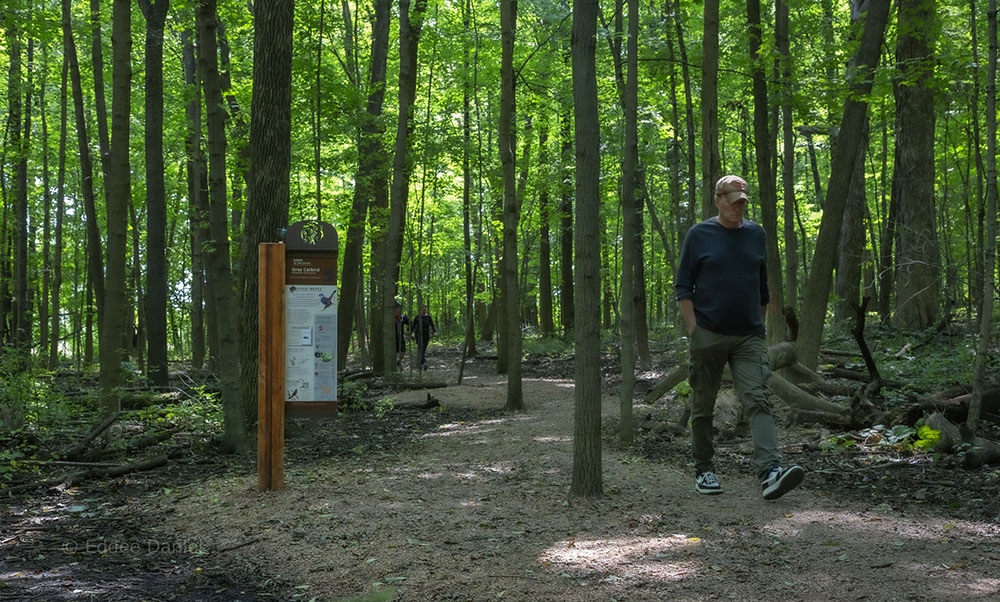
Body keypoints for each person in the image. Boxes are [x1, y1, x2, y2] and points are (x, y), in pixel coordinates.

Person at [674, 174, 804, 500]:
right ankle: (704, 470)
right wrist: (695, 331)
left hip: (748, 337)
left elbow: (762, 288)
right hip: (709, 335)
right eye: (733, 203)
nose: (738, 208)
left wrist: (757, 328)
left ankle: (770, 472)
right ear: (718, 200)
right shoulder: (699, 235)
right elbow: (683, 288)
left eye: (743, 203)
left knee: (758, 400)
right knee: (703, 405)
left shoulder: (756, 235)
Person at [410, 305, 437, 371]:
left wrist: (434, 332)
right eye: (423, 310)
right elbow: (413, 325)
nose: (424, 311)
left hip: (426, 335)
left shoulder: (429, 317)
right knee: (421, 348)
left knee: (423, 350)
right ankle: (424, 363)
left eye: (425, 310)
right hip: (418, 335)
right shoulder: (417, 317)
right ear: (420, 310)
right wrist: (409, 332)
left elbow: (432, 325)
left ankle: (420, 365)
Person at [393, 302, 410, 370]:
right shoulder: (390, 318)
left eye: (399, 308)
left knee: (403, 350)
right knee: (393, 352)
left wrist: (408, 330)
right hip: (392, 338)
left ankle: (399, 362)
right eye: (397, 308)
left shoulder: (403, 317)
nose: (398, 309)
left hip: (400, 337)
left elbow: (410, 323)